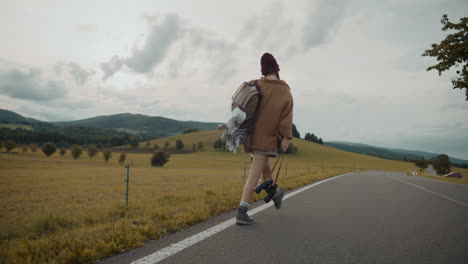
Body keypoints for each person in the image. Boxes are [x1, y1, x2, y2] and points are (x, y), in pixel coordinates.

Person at [236, 52, 294, 225]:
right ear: (277, 69)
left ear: (263, 70)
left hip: (249, 135)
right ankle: (242, 211)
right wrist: (286, 137)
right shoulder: (284, 90)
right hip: (266, 138)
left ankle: (275, 194)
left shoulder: (254, 84)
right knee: (254, 175)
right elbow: (286, 117)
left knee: (264, 166)